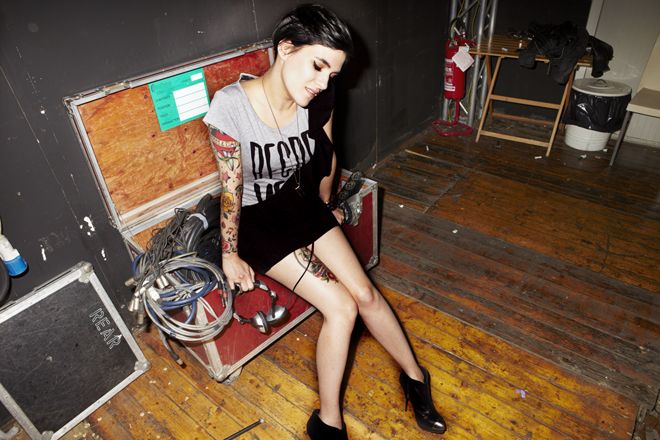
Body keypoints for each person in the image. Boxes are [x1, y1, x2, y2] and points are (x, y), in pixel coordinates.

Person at [203, 4, 446, 438]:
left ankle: (415, 378)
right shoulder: (231, 107)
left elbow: (326, 158)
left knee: (365, 294)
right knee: (341, 307)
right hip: (256, 219)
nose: (322, 82)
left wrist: (326, 205)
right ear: (285, 49)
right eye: (317, 66)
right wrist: (229, 253)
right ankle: (328, 422)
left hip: (300, 204)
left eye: (332, 74)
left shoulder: (319, 99)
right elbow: (231, 189)